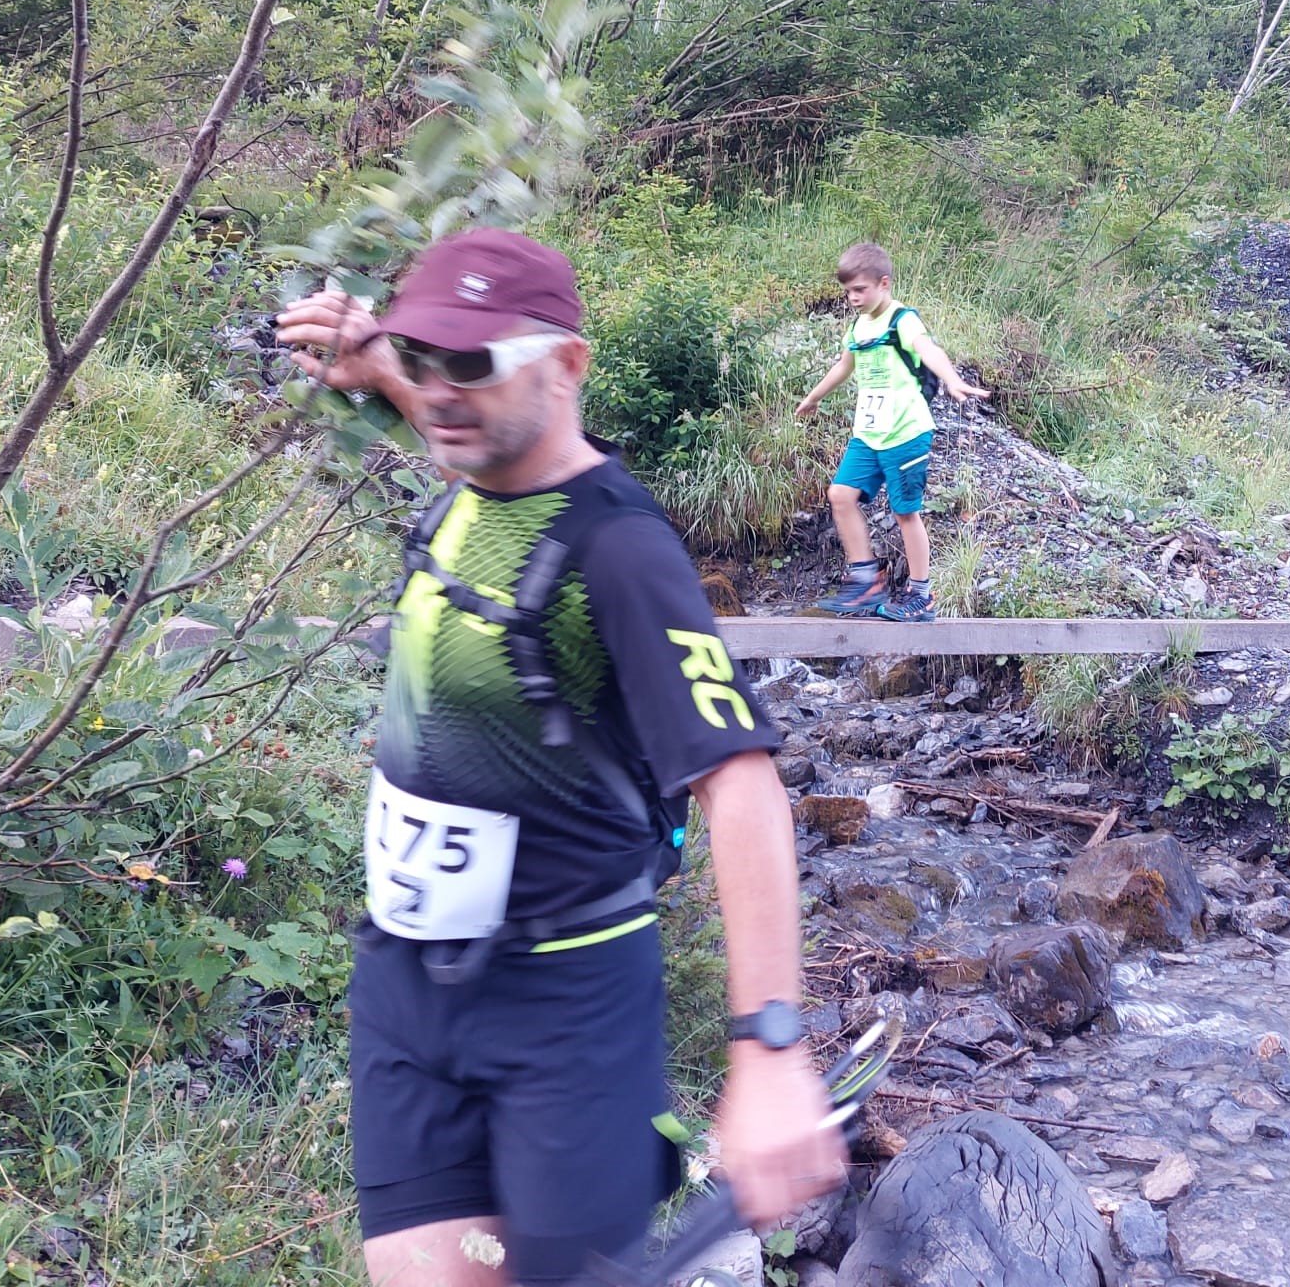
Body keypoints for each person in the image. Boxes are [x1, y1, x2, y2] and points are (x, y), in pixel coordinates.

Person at [275, 228, 842, 1287]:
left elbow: (741, 781)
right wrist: (384, 362)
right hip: (406, 991)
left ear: (567, 365)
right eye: (426, 357)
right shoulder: (476, 465)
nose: (442, 391)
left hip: (565, 1017)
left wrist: (770, 1049)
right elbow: (454, 409)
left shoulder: (617, 549)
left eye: (474, 360)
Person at [794, 242, 988, 623]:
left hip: (906, 431)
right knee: (840, 494)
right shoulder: (858, 326)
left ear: (884, 283)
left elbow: (927, 349)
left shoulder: (903, 319)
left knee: (905, 513)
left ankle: (921, 596)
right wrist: (813, 397)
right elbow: (844, 366)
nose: (852, 298)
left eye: (860, 290)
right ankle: (865, 581)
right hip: (869, 434)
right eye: (848, 291)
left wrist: (952, 379)